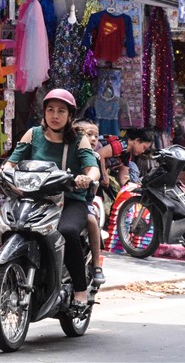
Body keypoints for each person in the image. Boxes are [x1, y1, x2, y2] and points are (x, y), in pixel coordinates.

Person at [0, 89, 100, 309]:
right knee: (13, 225)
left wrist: (86, 177)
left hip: (70, 200)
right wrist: (1, 173)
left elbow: (93, 168)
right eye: (50, 110)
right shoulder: (32, 135)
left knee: (68, 231)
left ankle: (80, 290)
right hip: (34, 199)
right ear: (43, 112)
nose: (55, 115)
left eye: (61, 111)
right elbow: (11, 163)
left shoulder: (79, 140)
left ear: (70, 115)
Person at [73, 119, 106, 286]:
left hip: (84, 200)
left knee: (91, 221)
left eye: (96, 136)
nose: (93, 139)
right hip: (58, 198)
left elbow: (101, 178)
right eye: (88, 135)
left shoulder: (95, 157)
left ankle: (96, 264)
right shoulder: (71, 151)